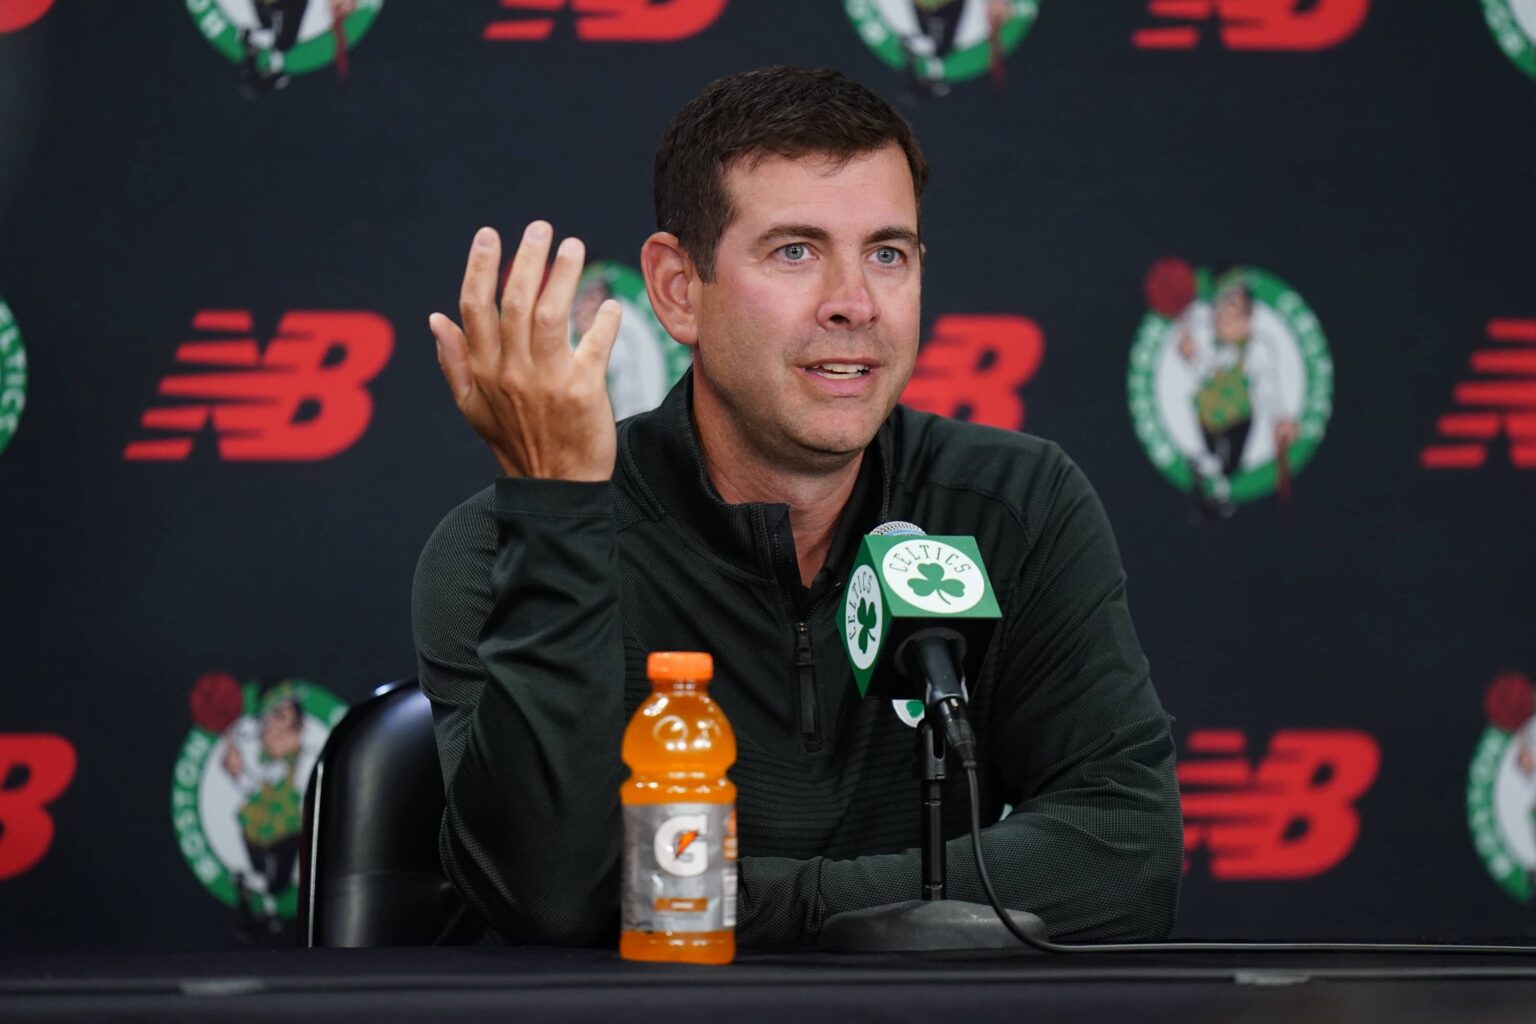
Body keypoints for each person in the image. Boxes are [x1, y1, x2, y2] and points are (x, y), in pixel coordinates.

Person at [414, 66, 1181, 948]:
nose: (855, 304)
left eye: (887, 254)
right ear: (676, 289)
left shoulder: (1015, 505)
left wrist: (731, 900)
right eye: (796, 252)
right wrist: (557, 512)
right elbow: (548, 903)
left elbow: (1126, 855)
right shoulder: (499, 546)